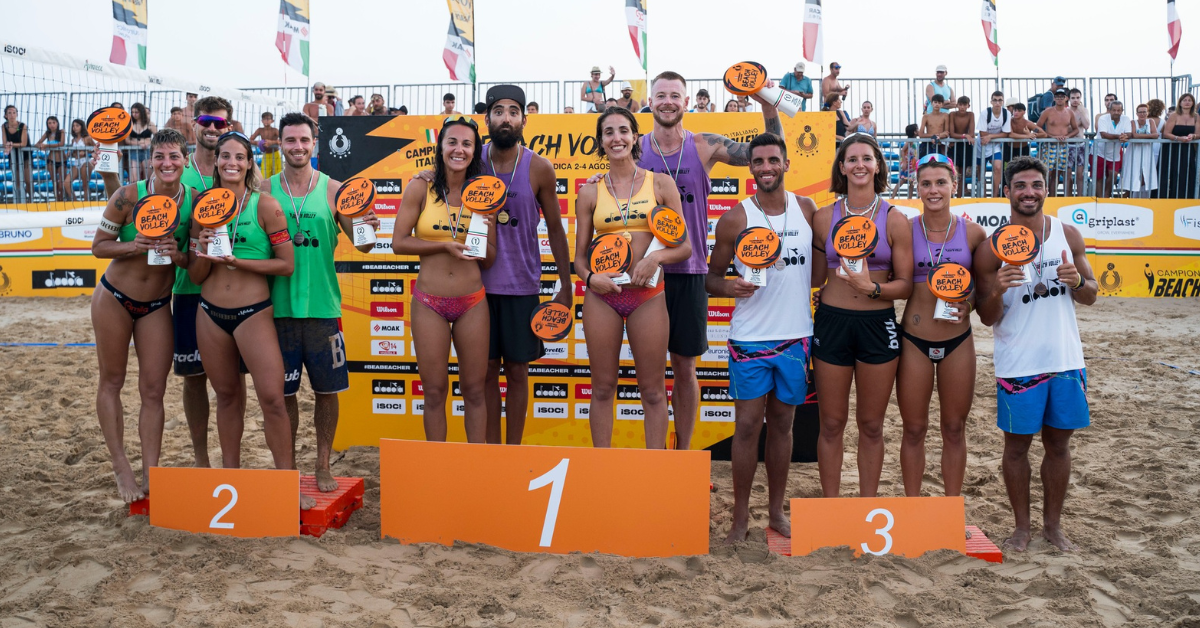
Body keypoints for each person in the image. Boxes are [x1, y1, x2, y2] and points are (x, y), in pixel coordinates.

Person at [628, 70, 783, 450]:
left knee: (684, 368)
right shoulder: (634, 148)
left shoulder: (704, 146)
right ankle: (653, 457)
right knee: (648, 376)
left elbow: (767, 151)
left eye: (674, 95)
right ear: (651, 102)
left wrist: (765, 103)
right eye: (660, 94)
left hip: (689, 271)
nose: (667, 101)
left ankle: (682, 454)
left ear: (686, 102)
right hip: (643, 273)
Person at [974, 156, 1097, 552]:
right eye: (1021, 186)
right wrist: (997, 288)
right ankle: (1022, 528)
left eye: (1037, 185)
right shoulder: (992, 249)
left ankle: (1053, 526)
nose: (1029, 192)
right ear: (1006, 191)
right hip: (1019, 361)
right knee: (1016, 448)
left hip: (1064, 359)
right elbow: (986, 317)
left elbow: (1092, 295)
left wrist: (1077, 281)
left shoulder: (1067, 234)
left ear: (1047, 189)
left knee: (1059, 447)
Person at [706, 132, 816, 542]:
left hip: (796, 337)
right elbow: (710, 279)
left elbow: (820, 269)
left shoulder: (806, 208)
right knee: (748, 427)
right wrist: (728, 287)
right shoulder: (735, 218)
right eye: (758, 162)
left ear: (786, 164)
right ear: (749, 167)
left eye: (773, 160)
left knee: (784, 426)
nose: (766, 167)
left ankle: (775, 512)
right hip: (750, 338)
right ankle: (739, 517)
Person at [187, 131, 306, 506]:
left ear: (250, 162)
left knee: (271, 399)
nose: (231, 163)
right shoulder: (203, 206)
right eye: (225, 156)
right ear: (216, 160)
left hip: (253, 313)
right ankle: (230, 482)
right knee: (226, 396)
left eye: (240, 157)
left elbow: (286, 265)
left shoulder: (265, 205)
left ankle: (286, 482)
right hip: (210, 313)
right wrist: (202, 250)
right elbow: (195, 276)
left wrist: (238, 261)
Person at [262, 112, 378, 491]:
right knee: (285, 395)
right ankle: (290, 466)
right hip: (276, 311)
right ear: (280, 144)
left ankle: (323, 464)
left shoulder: (334, 189)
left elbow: (362, 245)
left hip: (324, 309)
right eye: (290, 140)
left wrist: (366, 224)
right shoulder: (263, 189)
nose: (297, 147)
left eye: (304, 140)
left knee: (327, 393)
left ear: (315, 144)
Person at [574, 107, 690, 449]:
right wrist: (590, 278)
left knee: (653, 390)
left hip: (647, 296)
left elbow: (684, 247)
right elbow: (579, 259)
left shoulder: (661, 183)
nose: (616, 138)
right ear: (601, 142)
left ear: (635, 137)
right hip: (602, 298)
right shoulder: (590, 191)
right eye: (608, 132)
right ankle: (603, 467)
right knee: (602, 387)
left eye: (623, 130)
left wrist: (654, 257)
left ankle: (653, 471)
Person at [90, 128, 194, 502]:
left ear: (185, 160)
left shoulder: (194, 201)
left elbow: (194, 260)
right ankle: (122, 468)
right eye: (160, 157)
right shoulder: (128, 196)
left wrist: (178, 254)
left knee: (154, 390)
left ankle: (151, 473)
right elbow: (98, 248)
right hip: (115, 297)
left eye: (175, 157)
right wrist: (136, 244)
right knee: (112, 382)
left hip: (155, 305)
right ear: (150, 159)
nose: (167, 164)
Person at [810, 133, 913, 497]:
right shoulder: (824, 218)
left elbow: (905, 285)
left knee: (871, 425)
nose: (859, 165)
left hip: (877, 325)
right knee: (832, 423)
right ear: (841, 167)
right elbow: (815, 277)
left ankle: (867, 506)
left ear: (878, 166)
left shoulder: (895, 219)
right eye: (851, 159)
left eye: (866, 158)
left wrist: (874, 289)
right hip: (833, 324)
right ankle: (832, 506)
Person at [390, 115, 495, 443]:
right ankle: (438, 466)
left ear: (475, 150)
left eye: (467, 144)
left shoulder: (484, 192)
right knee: (434, 391)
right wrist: (444, 246)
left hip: (472, 302)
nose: (459, 150)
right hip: (429, 303)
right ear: (440, 147)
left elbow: (490, 259)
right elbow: (398, 243)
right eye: (452, 142)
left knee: (475, 391)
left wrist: (486, 230)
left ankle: (476, 467)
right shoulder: (420, 186)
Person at [898, 154, 987, 497]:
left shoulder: (974, 233)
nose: (933, 189)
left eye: (940, 182)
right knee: (914, 429)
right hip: (914, 340)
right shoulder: (904, 230)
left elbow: (985, 287)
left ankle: (951, 507)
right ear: (916, 188)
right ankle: (912, 507)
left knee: (953, 428)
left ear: (954, 185)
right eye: (926, 183)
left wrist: (971, 302)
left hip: (957, 340)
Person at [1034, 89, 1078, 197]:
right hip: (1050, 145)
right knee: (1047, 173)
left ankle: (1053, 198)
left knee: (1058, 173)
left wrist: (1066, 137)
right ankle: (1044, 196)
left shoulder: (1069, 112)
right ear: (1054, 98)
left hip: (1063, 146)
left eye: (1062, 96)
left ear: (1066, 98)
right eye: (1057, 96)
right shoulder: (1048, 112)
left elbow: (1076, 129)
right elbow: (1037, 127)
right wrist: (1050, 136)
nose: (1059, 98)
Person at [1161, 93, 1198, 199]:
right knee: (1171, 174)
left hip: (1188, 150)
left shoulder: (1196, 116)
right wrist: (1178, 138)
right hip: (1172, 149)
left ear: (1193, 103)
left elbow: (1198, 134)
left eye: (1189, 100)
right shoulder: (1174, 115)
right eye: (1185, 100)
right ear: (1180, 102)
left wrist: (1193, 136)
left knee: (1186, 175)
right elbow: (1166, 133)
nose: (1187, 102)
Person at [977, 91, 1011, 198]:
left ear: (1003, 102)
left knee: (998, 167)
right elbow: (982, 133)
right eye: (995, 100)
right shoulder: (985, 113)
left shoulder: (1006, 114)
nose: (997, 102)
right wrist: (993, 136)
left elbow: (1006, 133)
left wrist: (990, 136)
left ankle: (995, 196)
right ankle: (984, 196)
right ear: (991, 101)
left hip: (994, 145)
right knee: (980, 171)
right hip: (980, 146)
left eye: (1000, 100)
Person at [1122, 103, 1159, 198]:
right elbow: (1134, 135)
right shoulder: (1133, 122)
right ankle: (1128, 193)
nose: (1142, 114)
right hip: (1134, 150)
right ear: (1137, 113)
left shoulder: (1151, 121)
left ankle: (1141, 195)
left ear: (1147, 113)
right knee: (1132, 171)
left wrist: (1142, 136)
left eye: (1144, 112)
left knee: (1146, 172)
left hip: (1147, 150)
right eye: (1140, 112)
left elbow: (1156, 135)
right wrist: (1149, 136)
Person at [1094, 101, 1130, 198]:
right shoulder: (1103, 118)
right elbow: (1103, 134)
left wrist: (1125, 136)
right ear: (1109, 110)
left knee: (1113, 175)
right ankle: (1100, 200)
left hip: (1115, 154)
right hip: (1099, 152)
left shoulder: (1126, 119)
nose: (1116, 112)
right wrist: (1120, 137)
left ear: (1122, 111)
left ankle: (1106, 197)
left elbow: (1129, 133)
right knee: (1099, 177)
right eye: (1114, 110)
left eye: (1119, 110)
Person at [34, 115, 70, 201]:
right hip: (51, 160)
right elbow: (37, 143)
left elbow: (61, 144)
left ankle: (63, 199)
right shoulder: (47, 133)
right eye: (49, 123)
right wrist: (41, 146)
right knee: (55, 183)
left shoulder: (61, 132)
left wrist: (47, 146)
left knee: (62, 184)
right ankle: (57, 200)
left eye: (53, 122)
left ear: (57, 123)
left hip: (61, 160)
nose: (52, 125)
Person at [947, 97, 975, 196]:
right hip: (954, 145)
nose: (962, 107)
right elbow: (952, 133)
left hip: (965, 146)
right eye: (960, 104)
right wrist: (965, 136)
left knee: (962, 174)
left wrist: (967, 136)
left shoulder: (970, 115)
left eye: (964, 105)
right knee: (953, 172)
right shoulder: (952, 114)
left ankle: (959, 197)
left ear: (968, 106)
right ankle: (950, 196)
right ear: (957, 105)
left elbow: (971, 133)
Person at [3, 105, 31, 201]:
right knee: (17, 181)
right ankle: (19, 201)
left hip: (25, 156)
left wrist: (11, 144)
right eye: (9, 113)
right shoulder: (4, 126)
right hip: (13, 156)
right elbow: (4, 143)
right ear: (6, 115)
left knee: (28, 181)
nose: (12, 115)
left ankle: (31, 200)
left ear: (17, 114)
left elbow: (23, 143)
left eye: (14, 112)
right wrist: (9, 145)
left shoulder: (22, 126)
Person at [1066, 88, 1090, 196]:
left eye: (1077, 98)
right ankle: (1068, 198)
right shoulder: (1066, 111)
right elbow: (1067, 128)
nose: (1075, 100)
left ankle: (1079, 198)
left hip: (1080, 144)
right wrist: (1076, 124)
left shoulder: (1084, 110)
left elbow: (1086, 125)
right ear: (1069, 99)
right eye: (1073, 98)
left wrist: (1081, 112)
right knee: (1068, 174)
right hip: (1068, 145)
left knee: (1080, 175)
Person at [124, 103, 155, 182]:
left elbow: (157, 137)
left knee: (148, 177)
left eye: (136, 112)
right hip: (134, 152)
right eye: (132, 112)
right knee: (134, 179)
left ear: (141, 112)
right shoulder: (129, 124)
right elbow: (127, 140)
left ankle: (148, 193)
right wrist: (140, 143)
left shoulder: (150, 124)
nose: (134, 114)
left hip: (147, 152)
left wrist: (148, 142)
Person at [891, 123, 920, 199]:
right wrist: (904, 162)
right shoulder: (909, 141)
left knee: (912, 182)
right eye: (917, 129)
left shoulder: (915, 141)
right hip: (907, 163)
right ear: (914, 132)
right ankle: (892, 196)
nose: (919, 130)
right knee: (902, 180)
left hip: (912, 165)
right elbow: (902, 151)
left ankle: (909, 198)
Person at [67, 118, 94, 202]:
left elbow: (95, 148)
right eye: (73, 126)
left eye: (77, 126)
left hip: (85, 161)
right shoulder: (73, 140)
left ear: (82, 127)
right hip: (76, 162)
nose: (75, 128)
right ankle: (75, 201)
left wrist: (86, 152)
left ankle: (86, 203)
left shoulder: (87, 138)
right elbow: (74, 153)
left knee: (85, 185)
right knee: (66, 183)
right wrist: (70, 153)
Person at [250, 112, 282, 179]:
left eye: (268, 119)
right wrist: (257, 143)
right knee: (264, 176)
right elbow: (250, 140)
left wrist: (272, 142)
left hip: (275, 155)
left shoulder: (275, 130)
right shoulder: (260, 130)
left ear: (272, 121)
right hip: (266, 155)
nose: (266, 121)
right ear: (262, 121)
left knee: (278, 175)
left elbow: (282, 140)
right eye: (264, 119)